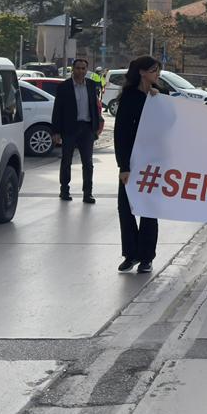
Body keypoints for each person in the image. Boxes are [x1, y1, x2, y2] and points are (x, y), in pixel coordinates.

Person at [112, 56, 160, 273]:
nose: (157, 73)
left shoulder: (160, 96)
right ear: (141, 72)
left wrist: (158, 100)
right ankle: (130, 254)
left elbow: (171, 124)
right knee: (126, 209)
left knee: (149, 209)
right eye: (153, 70)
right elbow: (120, 132)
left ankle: (146, 257)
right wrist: (123, 165)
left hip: (154, 161)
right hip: (132, 161)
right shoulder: (129, 97)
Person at [52, 58, 105, 203]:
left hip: (87, 129)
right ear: (73, 69)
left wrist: (97, 126)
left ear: (86, 70)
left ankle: (88, 193)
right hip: (70, 129)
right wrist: (56, 131)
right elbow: (57, 110)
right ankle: (64, 190)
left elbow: (95, 107)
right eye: (78, 68)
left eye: (83, 68)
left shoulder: (91, 85)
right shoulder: (64, 87)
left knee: (88, 163)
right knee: (66, 161)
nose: (81, 71)